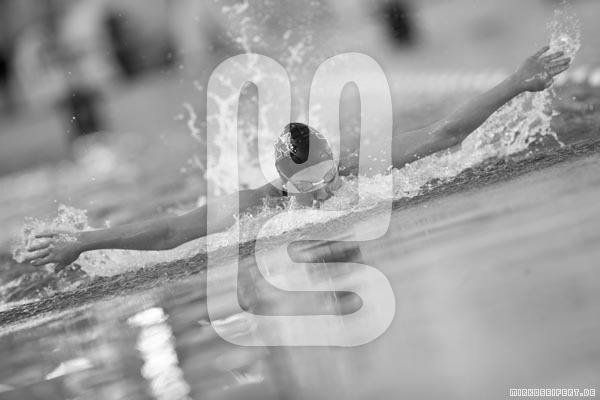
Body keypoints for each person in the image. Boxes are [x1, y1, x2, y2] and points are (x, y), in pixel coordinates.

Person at [24, 46, 571, 272]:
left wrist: (516, 82)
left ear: (336, 162)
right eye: (309, 188)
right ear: (286, 185)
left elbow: (445, 133)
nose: (325, 193)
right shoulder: (257, 205)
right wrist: (83, 241)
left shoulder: (362, 169)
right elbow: (172, 230)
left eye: (327, 178)